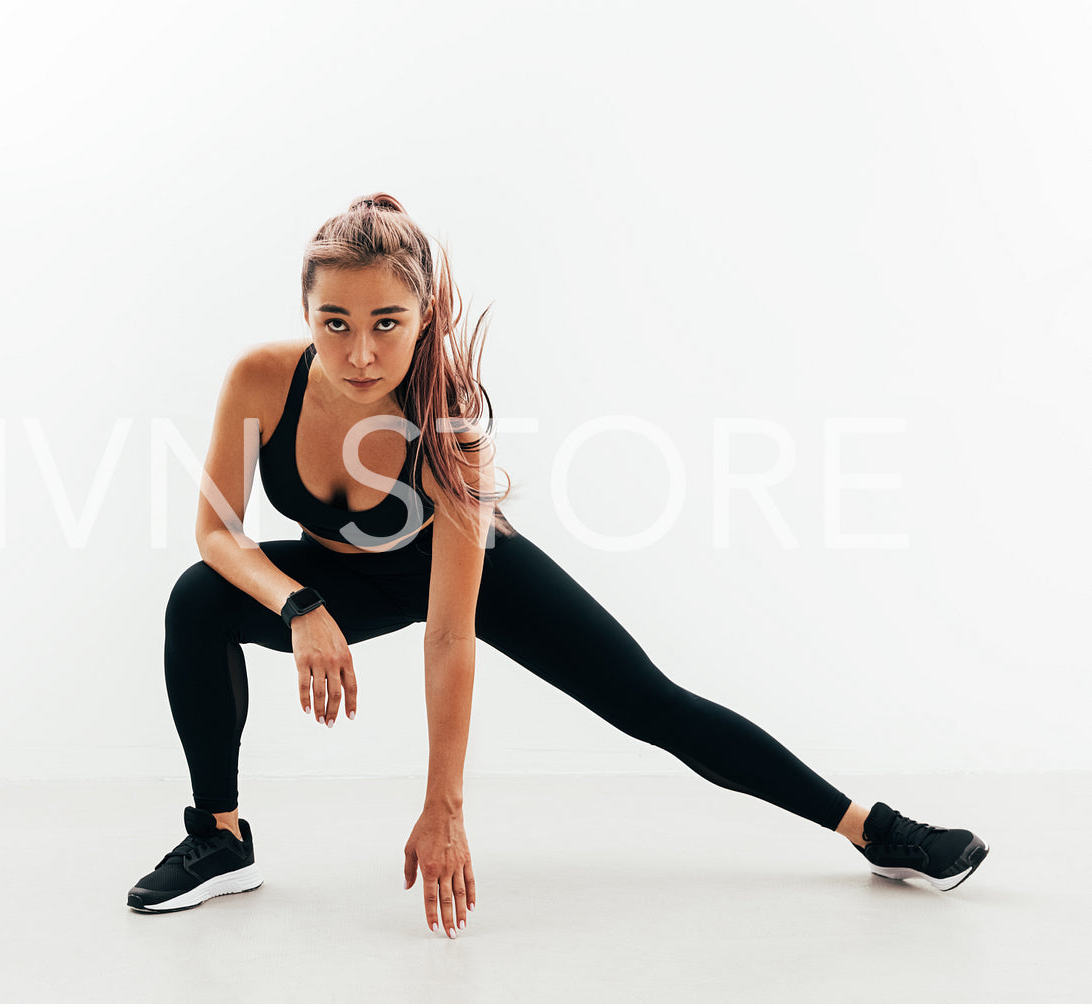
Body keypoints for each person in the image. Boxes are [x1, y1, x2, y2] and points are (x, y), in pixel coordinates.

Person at [126, 193, 990, 931]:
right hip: (339, 579)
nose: (360, 352)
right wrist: (298, 606)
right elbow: (215, 532)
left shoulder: (446, 416)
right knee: (196, 600)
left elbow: (448, 636)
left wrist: (444, 807)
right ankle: (220, 836)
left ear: (423, 316)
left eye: (386, 323)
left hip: (476, 574)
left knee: (652, 705)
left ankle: (873, 830)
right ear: (305, 317)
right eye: (336, 323)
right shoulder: (259, 381)